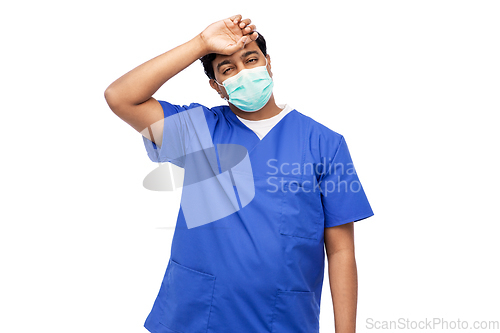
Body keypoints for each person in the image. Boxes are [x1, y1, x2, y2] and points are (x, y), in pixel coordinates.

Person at [105, 14, 374, 333]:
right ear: (217, 86)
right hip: (196, 316)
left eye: (251, 59)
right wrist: (200, 44)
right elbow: (121, 97)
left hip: (283, 318)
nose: (244, 72)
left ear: (269, 63)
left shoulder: (324, 143)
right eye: (228, 69)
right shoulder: (199, 131)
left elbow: (341, 249)